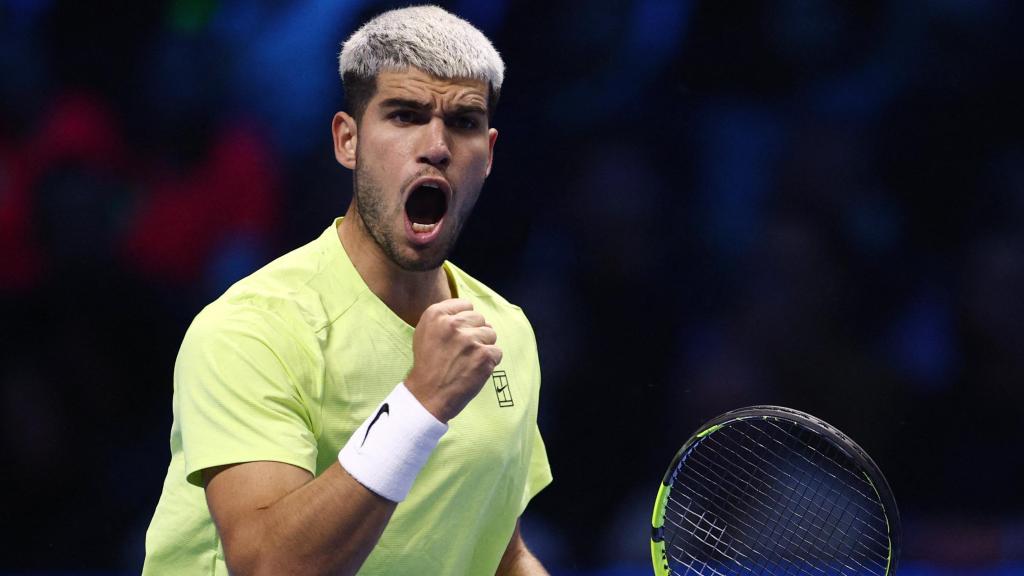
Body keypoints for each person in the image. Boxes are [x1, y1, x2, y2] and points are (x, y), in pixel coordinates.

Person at [142, 6, 552, 575]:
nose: (437, 145)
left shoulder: (506, 331)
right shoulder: (249, 329)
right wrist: (420, 403)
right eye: (406, 115)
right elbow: (268, 567)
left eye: (463, 122)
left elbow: (494, 549)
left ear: (488, 155)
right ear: (347, 141)